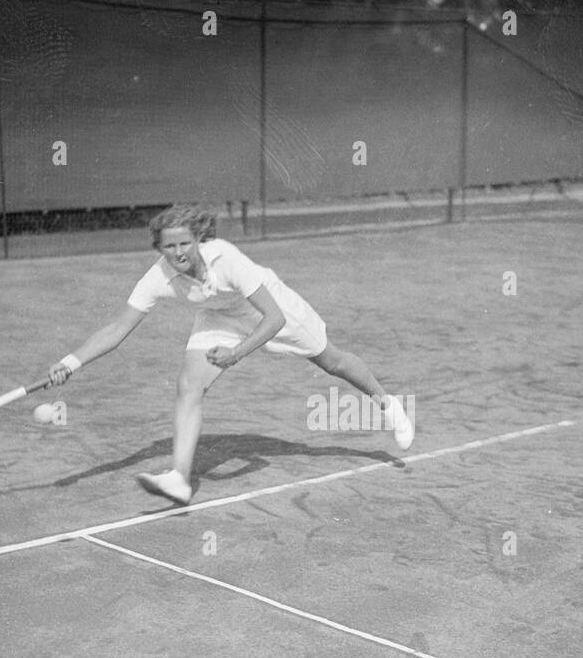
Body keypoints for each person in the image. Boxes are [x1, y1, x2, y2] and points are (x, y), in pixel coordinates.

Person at [47, 203, 414, 506]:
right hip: (219, 314)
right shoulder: (158, 277)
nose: (177, 254)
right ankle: (179, 477)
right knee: (189, 385)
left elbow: (274, 318)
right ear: (159, 249)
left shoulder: (228, 259)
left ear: (197, 240)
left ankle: (388, 404)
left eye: (184, 244)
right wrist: (70, 362)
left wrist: (236, 354)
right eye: (168, 247)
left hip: (266, 307)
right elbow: (118, 328)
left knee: (331, 361)